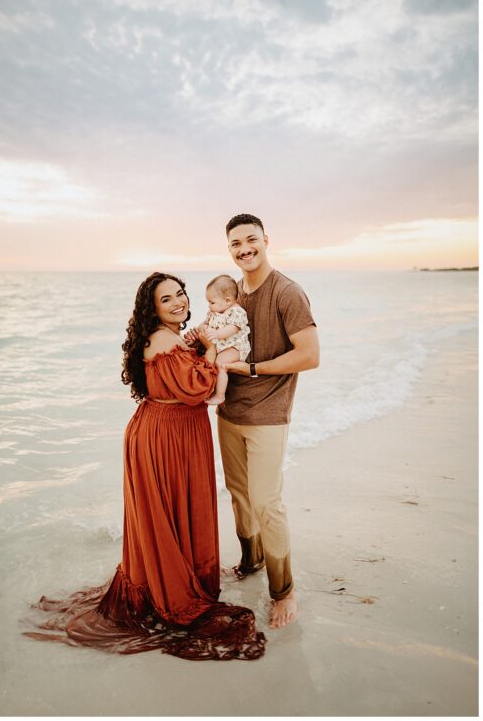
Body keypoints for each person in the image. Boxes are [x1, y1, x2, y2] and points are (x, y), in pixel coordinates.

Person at [24, 273, 265, 661]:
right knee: (169, 512)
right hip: (165, 436)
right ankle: (171, 586)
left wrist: (201, 345)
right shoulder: (164, 339)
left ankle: (176, 575)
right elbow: (200, 388)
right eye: (166, 299)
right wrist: (206, 348)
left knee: (174, 511)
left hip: (173, 430)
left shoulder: (170, 336)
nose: (178, 302)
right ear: (152, 308)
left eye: (181, 294)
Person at [193, 213, 318, 630]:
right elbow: (215, 338)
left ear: (266, 240)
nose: (244, 249)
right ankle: (251, 560)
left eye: (251, 240)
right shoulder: (228, 296)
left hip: (268, 413)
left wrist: (252, 369)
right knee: (239, 494)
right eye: (235, 244)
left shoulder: (287, 292)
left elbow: (309, 355)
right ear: (228, 249)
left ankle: (284, 590)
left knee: (267, 502)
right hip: (229, 411)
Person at [201, 274, 251, 406]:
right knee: (208, 360)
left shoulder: (237, 312)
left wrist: (217, 333)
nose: (209, 306)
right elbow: (205, 323)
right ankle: (211, 389)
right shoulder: (215, 311)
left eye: (212, 302)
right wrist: (199, 331)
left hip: (236, 347)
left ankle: (220, 395)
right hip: (222, 346)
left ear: (228, 301)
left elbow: (232, 329)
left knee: (220, 363)